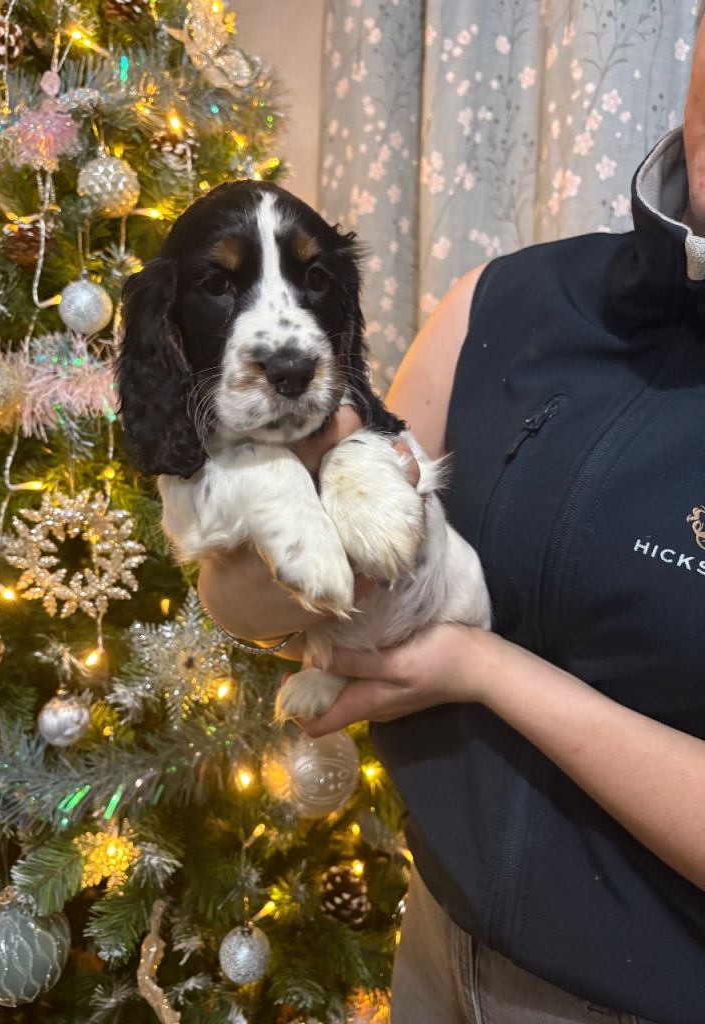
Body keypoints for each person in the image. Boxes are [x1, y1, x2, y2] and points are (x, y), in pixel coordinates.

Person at [197, 12, 705, 1024]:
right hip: (435, 943)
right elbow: (240, 603)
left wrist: (483, 670)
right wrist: (276, 507)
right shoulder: (511, 299)